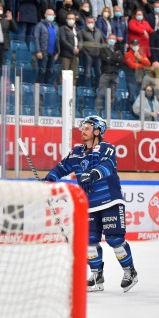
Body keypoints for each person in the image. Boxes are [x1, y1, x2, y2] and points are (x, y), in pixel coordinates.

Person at [43, 115, 138, 292]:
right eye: (82, 128)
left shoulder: (106, 148)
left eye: (87, 128)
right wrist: (50, 179)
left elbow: (107, 166)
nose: (82, 131)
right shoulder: (77, 151)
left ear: (97, 131)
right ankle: (97, 276)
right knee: (89, 241)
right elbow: (62, 168)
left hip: (110, 201)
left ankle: (129, 272)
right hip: (89, 205)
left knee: (115, 239)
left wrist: (93, 174)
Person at [96, 33, 123, 113]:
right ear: (107, 40)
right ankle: (98, 111)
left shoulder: (118, 50)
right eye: (110, 38)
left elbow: (121, 62)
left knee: (112, 95)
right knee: (101, 93)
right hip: (105, 73)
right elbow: (105, 60)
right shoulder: (103, 49)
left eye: (114, 39)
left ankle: (109, 112)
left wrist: (111, 59)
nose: (112, 40)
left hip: (115, 74)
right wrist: (115, 61)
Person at [33, 9, 59, 85]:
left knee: (50, 71)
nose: (51, 16)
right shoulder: (40, 25)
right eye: (49, 14)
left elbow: (57, 40)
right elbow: (36, 38)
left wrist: (58, 52)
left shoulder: (56, 27)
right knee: (42, 71)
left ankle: (46, 88)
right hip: (43, 52)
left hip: (53, 53)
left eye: (52, 15)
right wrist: (38, 51)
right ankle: (39, 89)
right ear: (45, 15)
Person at [81, 16, 105, 89]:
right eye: (89, 22)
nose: (90, 23)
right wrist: (86, 53)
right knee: (88, 74)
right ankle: (87, 89)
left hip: (98, 56)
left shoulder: (98, 31)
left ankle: (97, 89)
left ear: (94, 22)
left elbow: (102, 43)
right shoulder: (82, 31)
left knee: (99, 73)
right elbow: (80, 44)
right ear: (86, 22)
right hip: (88, 56)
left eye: (92, 22)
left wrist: (101, 53)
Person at [59, 12, 82, 86]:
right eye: (69, 18)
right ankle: (63, 94)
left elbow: (81, 41)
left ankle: (72, 93)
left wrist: (79, 49)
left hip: (75, 55)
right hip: (66, 54)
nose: (71, 20)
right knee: (65, 74)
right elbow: (63, 40)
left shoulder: (77, 30)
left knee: (74, 74)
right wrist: (73, 49)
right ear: (66, 20)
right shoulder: (62, 29)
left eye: (73, 18)